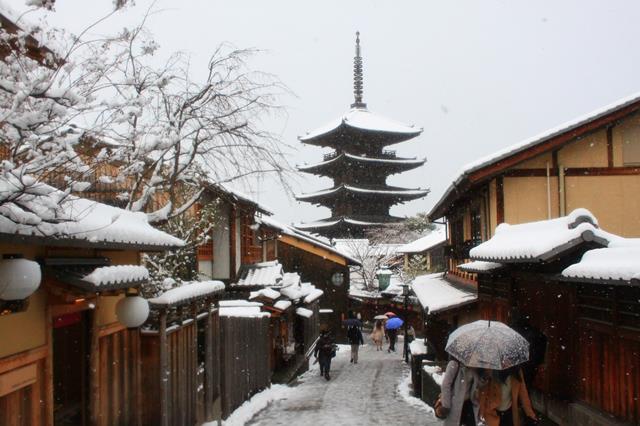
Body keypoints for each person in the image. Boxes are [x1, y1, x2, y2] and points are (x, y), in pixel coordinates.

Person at [438, 357, 481, 426]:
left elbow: (478, 385)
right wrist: (446, 406)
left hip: (468, 404)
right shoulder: (454, 364)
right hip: (454, 404)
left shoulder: (474, 367)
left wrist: (484, 377)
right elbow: (445, 385)